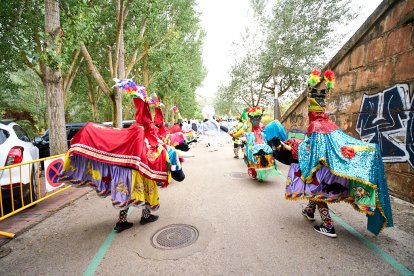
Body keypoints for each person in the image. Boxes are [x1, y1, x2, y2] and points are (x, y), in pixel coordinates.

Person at [283, 70, 393, 237]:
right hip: (332, 168)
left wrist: (297, 149)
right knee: (315, 192)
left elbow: (315, 152)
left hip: (322, 169)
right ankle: (309, 211)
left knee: (318, 194)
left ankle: (328, 226)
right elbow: (343, 142)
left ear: (311, 111)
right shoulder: (330, 124)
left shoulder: (315, 126)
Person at [59, 81, 176, 233]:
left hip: (124, 169)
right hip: (137, 169)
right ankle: (145, 216)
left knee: (125, 195)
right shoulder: (141, 131)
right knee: (146, 190)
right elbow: (152, 146)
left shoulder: (134, 129)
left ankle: (122, 222)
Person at [243, 107, 284, 182]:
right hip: (252, 144)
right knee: (252, 158)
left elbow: (265, 133)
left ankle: (260, 175)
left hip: (262, 143)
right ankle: (256, 174)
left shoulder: (262, 127)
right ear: (251, 119)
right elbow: (245, 133)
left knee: (263, 156)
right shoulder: (248, 126)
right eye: (254, 119)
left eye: (258, 118)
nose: (256, 120)